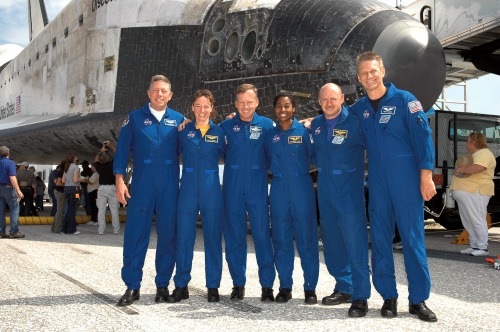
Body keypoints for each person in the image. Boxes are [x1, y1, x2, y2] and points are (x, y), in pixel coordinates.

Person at [350, 51, 437, 322]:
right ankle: (389, 296)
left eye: (373, 71)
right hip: (377, 182)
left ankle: (418, 300)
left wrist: (426, 176)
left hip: (406, 180)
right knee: (380, 240)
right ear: (358, 77)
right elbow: (335, 122)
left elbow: (423, 138)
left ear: (383, 71)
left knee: (412, 239)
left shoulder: (405, 101)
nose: (369, 77)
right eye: (364, 73)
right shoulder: (359, 110)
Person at [114, 74, 185, 306]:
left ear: (170, 95)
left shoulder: (179, 121)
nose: (159, 94)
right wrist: (119, 181)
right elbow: (122, 151)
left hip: (169, 187)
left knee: (168, 236)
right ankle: (132, 286)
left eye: (164, 91)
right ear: (148, 93)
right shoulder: (134, 118)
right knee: (135, 235)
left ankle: (162, 286)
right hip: (142, 186)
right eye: (155, 90)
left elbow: (200, 138)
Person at [310, 83, 371, 317]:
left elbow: (375, 148)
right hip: (325, 188)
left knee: (355, 244)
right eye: (324, 99)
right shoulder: (316, 125)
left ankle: (360, 296)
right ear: (319, 101)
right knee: (332, 241)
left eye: (333, 99)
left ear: (342, 98)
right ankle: (344, 286)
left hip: (349, 191)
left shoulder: (355, 123)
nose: (328, 103)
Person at [168, 89, 226, 303]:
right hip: (189, 188)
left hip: (212, 188)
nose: (202, 110)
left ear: (212, 108)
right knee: (184, 238)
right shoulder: (183, 131)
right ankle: (181, 284)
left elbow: (230, 156)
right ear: (192, 108)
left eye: (206, 106)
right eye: (198, 106)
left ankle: (213, 286)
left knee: (212, 238)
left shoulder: (220, 133)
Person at [220, 83, 276, 302]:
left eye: (250, 102)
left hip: (257, 188)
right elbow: (220, 150)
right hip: (233, 187)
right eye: (241, 102)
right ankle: (238, 284)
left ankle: (267, 286)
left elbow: (275, 150)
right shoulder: (225, 126)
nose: (245, 106)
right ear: (235, 103)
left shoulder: (267, 126)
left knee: (262, 236)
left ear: (257, 103)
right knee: (234, 238)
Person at [265, 93, 319, 304]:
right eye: (279, 106)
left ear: (294, 108)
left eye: (287, 106)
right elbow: (265, 160)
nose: (283, 110)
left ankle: (310, 288)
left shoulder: (305, 132)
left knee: (307, 239)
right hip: (278, 188)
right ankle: (285, 286)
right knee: (281, 239)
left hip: (302, 188)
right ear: (275, 109)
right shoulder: (270, 135)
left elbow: (316, 156)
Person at [451, 132, 495, 256]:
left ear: (473, 141)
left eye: (468, 141)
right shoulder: (475, 154)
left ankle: (482, 247)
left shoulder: (484, 153)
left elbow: (479, 167)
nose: (466, 143)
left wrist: (461, 169)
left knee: (477, 219)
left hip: (476, 191)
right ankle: (475, 245)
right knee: (468, 220)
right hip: (468, 192)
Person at [95, 142, 120, 235]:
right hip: (112, 187)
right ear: (107, 158)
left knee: (101, 210)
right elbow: (117, 154)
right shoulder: (111, 164)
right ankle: (116, 230)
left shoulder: (98, 166)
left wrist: (102, 149)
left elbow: (96, 159)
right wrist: (110, 145)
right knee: (114, 210)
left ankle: (101, 230)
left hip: (102, 188)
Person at [0, 146, 25, 238]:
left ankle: (1, 231)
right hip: (8, 188)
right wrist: (18, 191)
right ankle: (14, 231)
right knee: (14, 209)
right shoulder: (10, 163)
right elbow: (12, 177)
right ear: (8, 154)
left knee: (0, 211)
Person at [62, 153, 84, 235]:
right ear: (74, 159)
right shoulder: (75, 167)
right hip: (75, 189)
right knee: (73, 209)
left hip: (67, 189)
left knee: (68, 210)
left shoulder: (66, 168)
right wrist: (82, 179)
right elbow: (75, 180)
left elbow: (63, 181)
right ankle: (72, 229)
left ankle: (64, 229)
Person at [51, 161, 66, 234]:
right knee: (60, 211)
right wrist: (68, 185)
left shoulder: (61, 171)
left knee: (58, 211)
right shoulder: (62, 172)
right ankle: (57, 229)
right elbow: (58, 183)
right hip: (60, 192)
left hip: (59, 192)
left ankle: (54, 228)